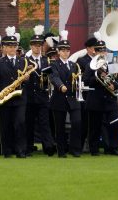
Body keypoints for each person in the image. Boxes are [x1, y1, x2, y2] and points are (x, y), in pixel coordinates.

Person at [0, 26, 28, 158]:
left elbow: (28, 81)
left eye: (14, 46)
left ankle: (21, 151)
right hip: (5, 98)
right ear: (4, 48)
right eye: (9, 46)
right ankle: (6, 150)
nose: (12, 49)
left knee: (20, 123)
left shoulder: (23, 61)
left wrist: (26, 78)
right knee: (5, 125)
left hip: (19, 98)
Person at [84, 32, 118, 156]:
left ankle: (113, 147)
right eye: (99, 51)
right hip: (96, 99)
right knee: (95, 126)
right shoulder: (91, 65)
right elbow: (86, 81)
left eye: (104, 51)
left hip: (110, 98)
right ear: (95, 52)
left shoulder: (111, 62)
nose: (102, 53)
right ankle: (94, 149)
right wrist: (98, 77)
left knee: (114, 124)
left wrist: (114, 85)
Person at [49, 30, 82, 158]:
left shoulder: (74, 65)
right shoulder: (54, 64)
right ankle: (61, 151)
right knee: (60, 126)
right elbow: (54, 77)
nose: (65, 52)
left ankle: (75, 149)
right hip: (59, 98)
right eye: (63, 50)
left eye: (67, 50)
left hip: (73, 98)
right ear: (58, 51)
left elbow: (78, 78)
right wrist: (61, 86)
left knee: (77, 122)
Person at [24, 25, 55, 156]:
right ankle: (28, 147)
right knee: (29, 123)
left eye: (39, 45)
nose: (37, 47)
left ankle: (48, 147)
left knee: (44, 123)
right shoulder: (25, 60)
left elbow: (51, 77)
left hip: (42, 96)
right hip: (29, 95)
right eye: (35, 45)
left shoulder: (46, 60)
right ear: (31, 46)